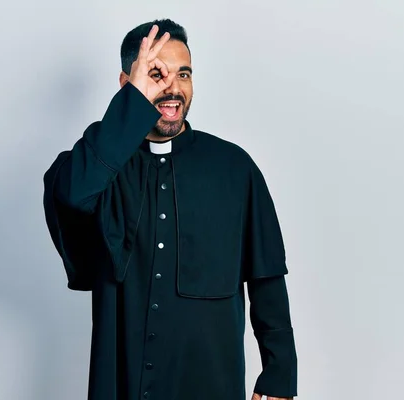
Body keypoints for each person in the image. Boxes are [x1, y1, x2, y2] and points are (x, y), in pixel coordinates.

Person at [43, 19, 298, 400]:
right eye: (156, 74)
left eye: (184, 74)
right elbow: (71, 196)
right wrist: (133, 107)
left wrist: (279, 373)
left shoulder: (234, 167)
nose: (173, 88)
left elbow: (266, 276)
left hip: (211, 383)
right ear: (126, 85)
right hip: (123, 384)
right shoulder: (96, 165)